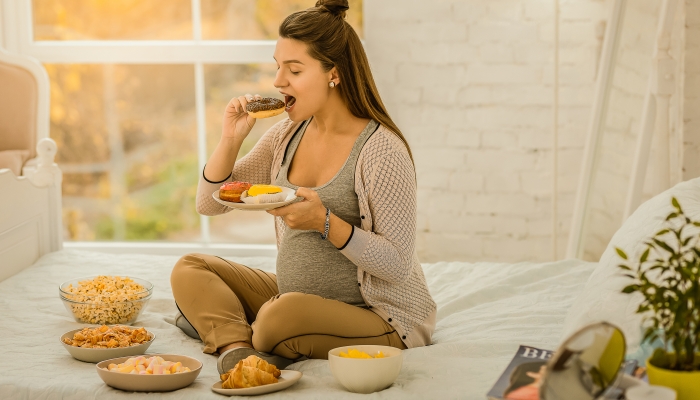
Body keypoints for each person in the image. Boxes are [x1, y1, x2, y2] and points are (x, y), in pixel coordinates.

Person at [170, 0, 436, 375]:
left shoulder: (382, 149)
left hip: (377, 314)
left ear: (334, 74)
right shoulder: (286, 133)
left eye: (294, 70)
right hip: (293, 299)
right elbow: (210, 204)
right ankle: (237, 346)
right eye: (278, 66)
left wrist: (324, 221)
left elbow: (396, 265)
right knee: (191, 267)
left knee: (279, 318)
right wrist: (230, 139)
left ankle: (230, 328)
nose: (278, 82)